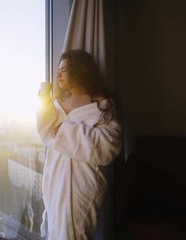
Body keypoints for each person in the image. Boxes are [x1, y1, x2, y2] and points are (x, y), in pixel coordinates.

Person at [36, 49, 122, 239]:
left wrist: (65, 133)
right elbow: (44, 134)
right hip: (55, 181)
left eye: (64, 69)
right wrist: (44, 98)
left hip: (80, 186)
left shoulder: (101, 108)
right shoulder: (57, 105)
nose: (58, 74)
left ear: (79, 70)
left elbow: (108, 147)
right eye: (58, 69)